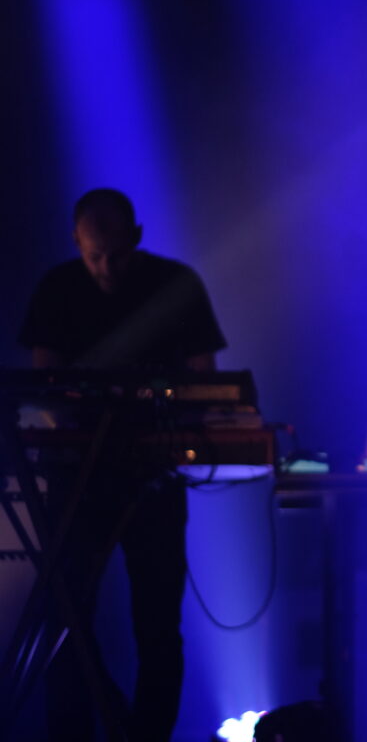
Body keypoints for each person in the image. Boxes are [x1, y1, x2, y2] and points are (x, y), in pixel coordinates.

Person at [17, 187, 226, 742]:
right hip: (77, 477)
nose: (106, 268)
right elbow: (42, 388)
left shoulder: (176, 284)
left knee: (158, 624)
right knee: (66, 621)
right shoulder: (57, 289)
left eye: (116, 255)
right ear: (75, 242)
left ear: (137, 236)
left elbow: (206, 383)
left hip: (154, 476)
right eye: (94, 257)